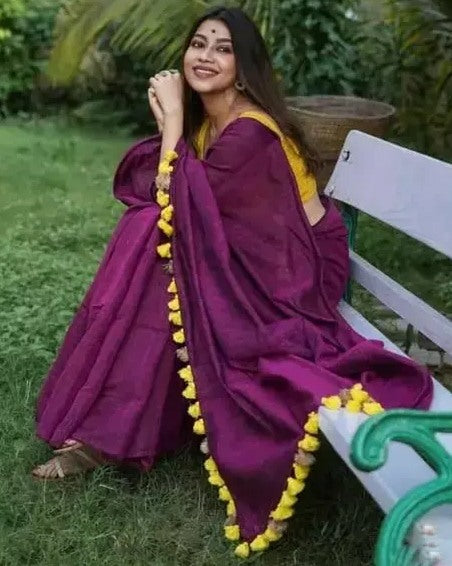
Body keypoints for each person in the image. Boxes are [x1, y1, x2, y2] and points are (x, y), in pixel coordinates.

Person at [33, 6, 432, 557]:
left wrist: (171, 122)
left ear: (243, 69)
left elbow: (182, 202)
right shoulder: (211, 123)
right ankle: (114, 427)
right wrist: (178, 130)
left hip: (299, 269)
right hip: (262, 253)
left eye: (223, 48)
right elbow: (175, 197)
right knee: (153, 241)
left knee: (156, 248)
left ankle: (112, 431)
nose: (205, 56)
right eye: (199, 44)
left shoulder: (251, 133)